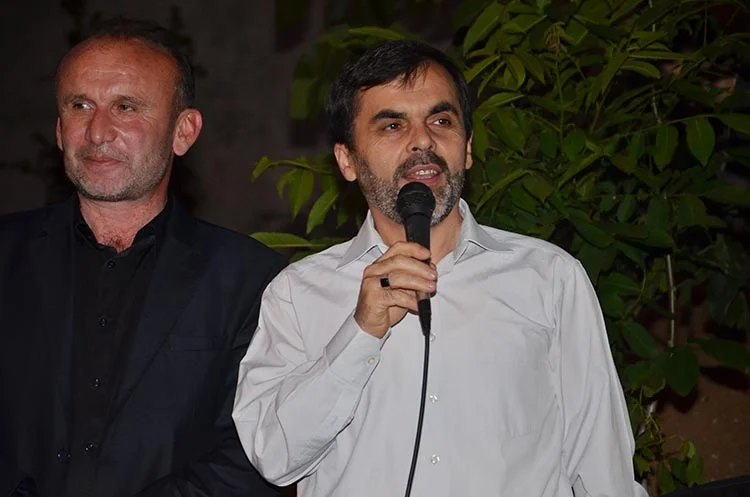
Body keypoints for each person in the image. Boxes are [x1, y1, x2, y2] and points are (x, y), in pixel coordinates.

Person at [232, 40, 648, 497]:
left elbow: (601, 464)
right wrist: (360, 333)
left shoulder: (549, 278)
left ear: (467, 148)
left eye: (441, 121)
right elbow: (274, 458)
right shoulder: (297, 294)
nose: (423, 141)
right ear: (347, 161)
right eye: (393, 125)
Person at [0, 19, 285, 497]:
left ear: (183, 131)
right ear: (59, 129)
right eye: (79, 106)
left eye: (126, 107)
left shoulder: (249, 279)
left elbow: (257, 450)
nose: (97, 132)